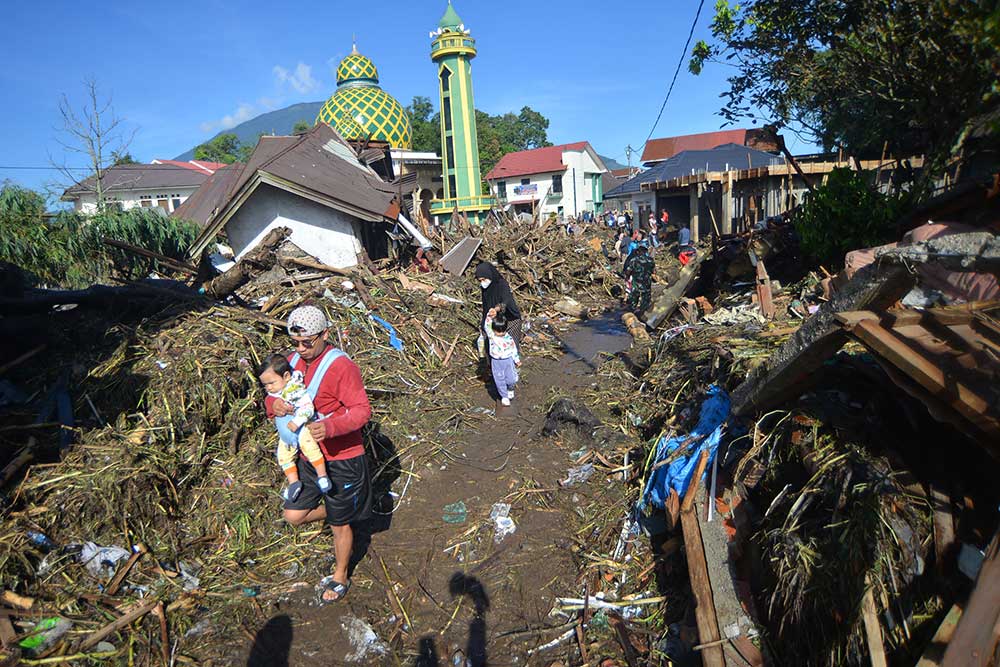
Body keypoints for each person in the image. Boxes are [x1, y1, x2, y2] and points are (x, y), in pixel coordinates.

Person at [265, 305, 373, 604]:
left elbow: (362, 411)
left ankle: (340, 575)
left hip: (342, 457)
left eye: (307, 343)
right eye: (295, 343)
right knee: (293, 514)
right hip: (309, 457)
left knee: (340, 524)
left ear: (325, 335)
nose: (301, 350)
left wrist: (331, 427)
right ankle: (345, 507)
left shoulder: (341, 367)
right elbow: (272, 394)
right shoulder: (291, 363)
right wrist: (271, 406)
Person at [259, 354, 330, 502]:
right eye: (265, 385)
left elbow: (308, 408)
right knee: (283, 455)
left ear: (286, 376)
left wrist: (297, 421)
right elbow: (269, 403)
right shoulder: (275, 392)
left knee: (309, 447)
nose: (268, 388)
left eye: (271, 383)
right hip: (287, 434)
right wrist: (272, 403)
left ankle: (322, 476)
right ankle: (293, 482)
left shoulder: (295, 390)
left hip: (301, 427)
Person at [474, 262, 523, 346]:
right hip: (495, 319)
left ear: (489, 276)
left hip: (510, 320)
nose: (482, 282)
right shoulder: (485, 288)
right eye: (480, 280)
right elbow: (486, 306)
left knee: (510, 348)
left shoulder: (502, 284)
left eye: (484, 279)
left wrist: (496, 309)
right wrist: (484, 323)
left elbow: (506, 301)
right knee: (492, 346)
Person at [484, 307, 522, 406]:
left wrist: (516, 360)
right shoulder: (492, 335)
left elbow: (513, 349)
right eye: (498, 331)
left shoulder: (508, 338)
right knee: (499, 379)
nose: (500, 333)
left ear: (505, 329)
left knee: (511, 378)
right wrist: (489, 315)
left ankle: (510, 388)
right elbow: (487, 325)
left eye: (502, 331)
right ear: (494, 329)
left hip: (508, 360)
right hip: (496, 362)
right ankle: (504, 396)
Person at [626, 245, 656, 314]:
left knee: (634, 296)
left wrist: (627, 277)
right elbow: (654, 272)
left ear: (638, 251)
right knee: (646, 298)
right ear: (645, 251)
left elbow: (628, 271)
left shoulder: (634, 260)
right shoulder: (650, 260)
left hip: (637, 282)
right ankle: (643, 312)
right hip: (647, 282)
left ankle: (632, 311)